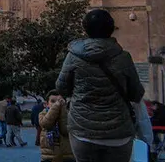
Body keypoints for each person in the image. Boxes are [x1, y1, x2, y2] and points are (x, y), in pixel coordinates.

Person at [56, 9, 145, 162]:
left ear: (86, 29)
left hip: (83, 130)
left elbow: (61, 88)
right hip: (118, 133)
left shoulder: (73, 57)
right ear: (111, 29)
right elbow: (136, 93)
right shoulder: (123, 58)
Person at [38, 90, 74, 162]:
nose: (56, 104)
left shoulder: (69, 115)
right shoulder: (43, 114)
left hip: (67, 155)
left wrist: (63, 111)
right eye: (53, 101)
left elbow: (65, 130)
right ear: (46, 104)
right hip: (49, 155)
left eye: (59, 101)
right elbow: (46, 124)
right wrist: (57, 106)